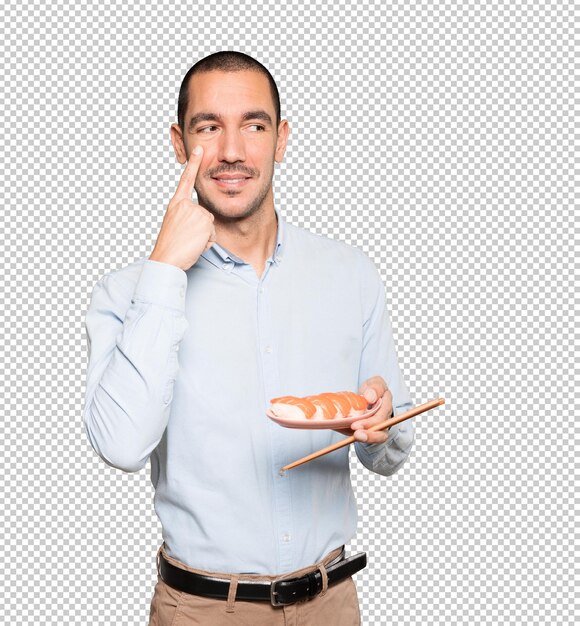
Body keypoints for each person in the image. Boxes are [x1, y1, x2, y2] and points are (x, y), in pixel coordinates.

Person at [83, 51, 415, 626]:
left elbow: (389, 448)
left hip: (330, 605)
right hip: (203, 611)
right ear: (179, 143)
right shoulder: (131, 291)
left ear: (281, 139)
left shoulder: (350, 273)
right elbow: (120, 446)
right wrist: (164, 271)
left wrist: (379, 426)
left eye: (254, 126)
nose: (233, 151)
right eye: (209, 127)